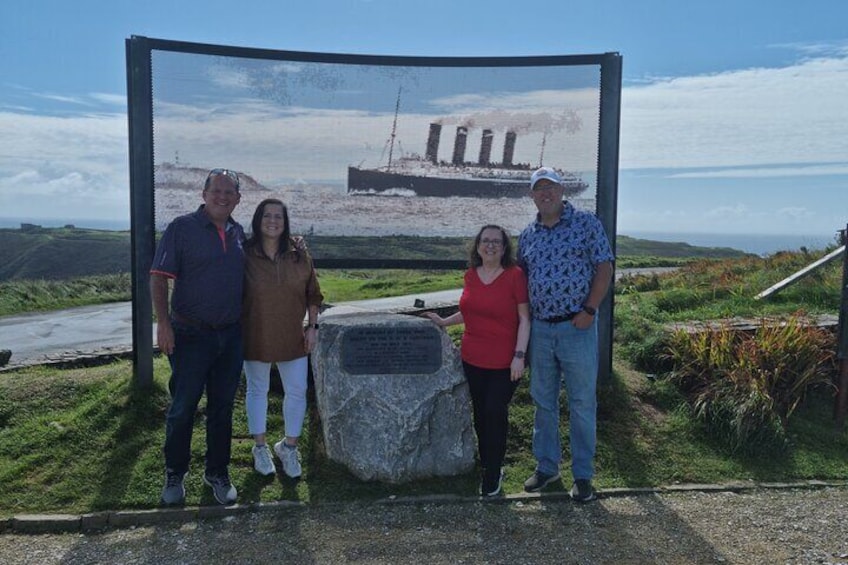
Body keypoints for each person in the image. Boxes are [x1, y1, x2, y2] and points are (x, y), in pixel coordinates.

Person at [517, 166, 614, 502]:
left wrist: (589, 311)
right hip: (541, 329)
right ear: (532, 195)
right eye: (539, 189)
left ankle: (583, 475)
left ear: (562, 191)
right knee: (543, 401)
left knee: (582, 402)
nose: (546, 193)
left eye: (551, 188)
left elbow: (604, 266)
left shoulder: (586, 224)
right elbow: (522, 282)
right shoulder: (528, 234)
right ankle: (547, 467)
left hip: (577, 327)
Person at [150, 168, 246, 506]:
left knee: (222, 408)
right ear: (204, 194)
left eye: (229, 192)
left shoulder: (238, 232)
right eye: (216, 190)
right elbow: (159, 278)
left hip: (230, 337)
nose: (222, 196)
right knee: (183, 407)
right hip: (190, 335)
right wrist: (163, 324)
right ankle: (175, 472)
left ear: (237, 199)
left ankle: (217, 472)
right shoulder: (182, 228)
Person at [424, 224, 530, 497]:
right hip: (472, 359)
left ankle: (494, 470)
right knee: (481, 414)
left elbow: (524, 319)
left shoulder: (515, 276)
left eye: (497, 241)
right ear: (478, 245)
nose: (491, 245)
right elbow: (470, 311)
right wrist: (444, 321)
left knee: (496, 411)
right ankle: (487, 464)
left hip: (505, 361)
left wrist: (519, 356)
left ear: (504, 247)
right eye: (486, 240)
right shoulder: (471, 275)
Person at [241, 199, 323, 479]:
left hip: (292, 335)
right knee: (257, 390)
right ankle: (260, 447)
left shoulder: (300, 256)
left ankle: (289, 447)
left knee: (297, 391)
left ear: (285, 221)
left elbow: (314, 294)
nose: (272, 220)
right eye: (267, 215)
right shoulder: (245, 254)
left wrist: (312, 327)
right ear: (258, 219)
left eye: (278, 216)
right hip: (254, 335)